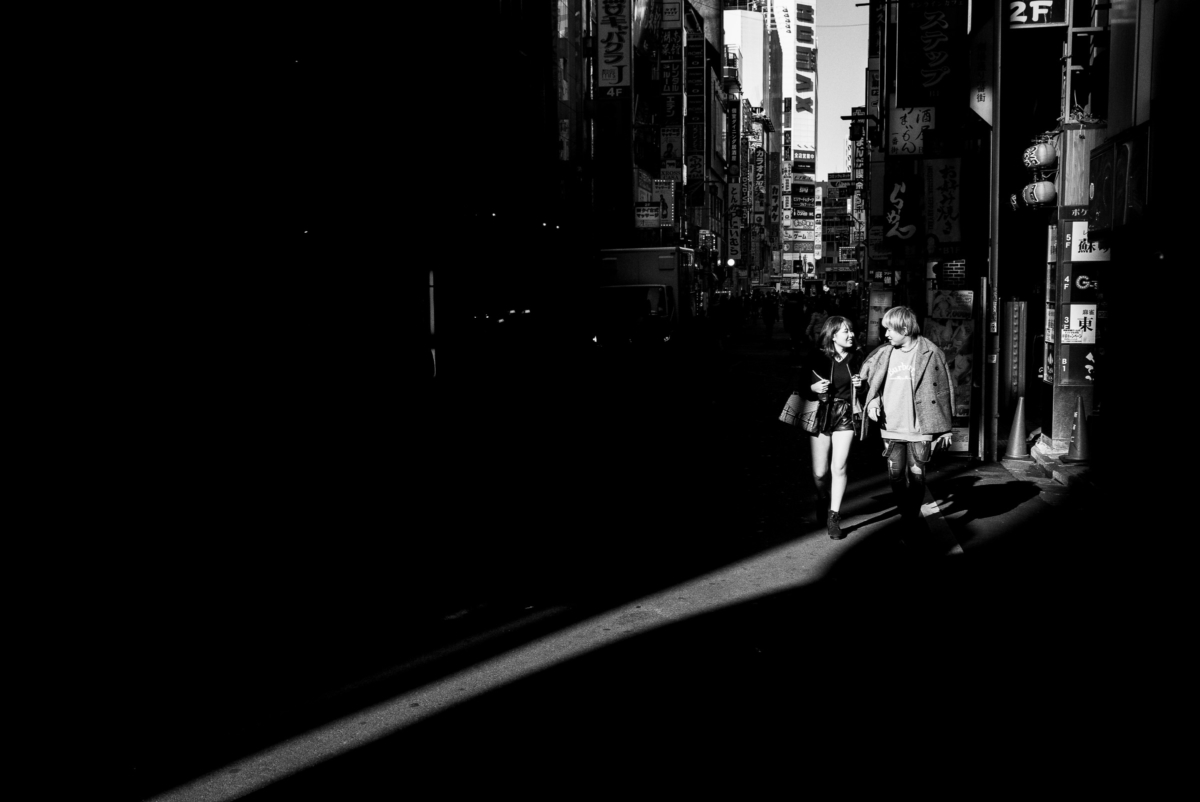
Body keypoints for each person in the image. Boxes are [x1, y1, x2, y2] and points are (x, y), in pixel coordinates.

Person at [859, 306, 955, 538]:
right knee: (895, 475)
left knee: (917, 474)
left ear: (905, 328)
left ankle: (910, 517)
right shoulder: (884, 353)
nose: (887, 335)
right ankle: (907, 511)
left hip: (921, 427)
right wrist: (872, 403)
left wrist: (945, 429)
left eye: (891, 329)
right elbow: (871, 383)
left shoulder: (932, 353)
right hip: (890, 426)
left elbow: (945, 390)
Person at [794, 315, 866, 540]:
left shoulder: (858, 356)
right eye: (845, 331)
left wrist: (861, 386)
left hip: (845, 414)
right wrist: (813, 387)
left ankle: (834, 516)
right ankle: (822, 497)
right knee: (820, 472)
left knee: (840, 466)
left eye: (851, 330)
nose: (851, 334)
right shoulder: (817, 356)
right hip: (821, 413)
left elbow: (869, 388)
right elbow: (801, 385)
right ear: (833, 335)